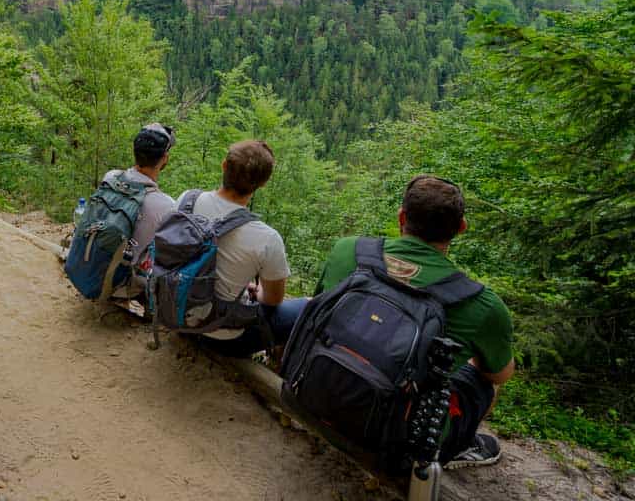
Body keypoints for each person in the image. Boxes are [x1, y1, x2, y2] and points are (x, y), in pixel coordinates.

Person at [313, 175, 515, 470]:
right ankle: (457, 445)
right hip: (394, 442)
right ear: (461, 228)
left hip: (317, 395)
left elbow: (318, 307)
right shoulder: (483, 305)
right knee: (485, 379)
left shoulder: (348, 250)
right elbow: (499, 374)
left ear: (401, 217)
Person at [188, 140, 305, 354]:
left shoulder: (188, 200)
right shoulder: (267, 238)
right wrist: (255, 291)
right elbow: (272, 300)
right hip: (222, 336)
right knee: (309, 307)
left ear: (224, 165)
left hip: (175, 314)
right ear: (262, 184)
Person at [103, 123, 177, 298]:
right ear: (165, 158)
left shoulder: (111, 177)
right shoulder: (166, 205)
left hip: (92, 265)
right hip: (120, 283)